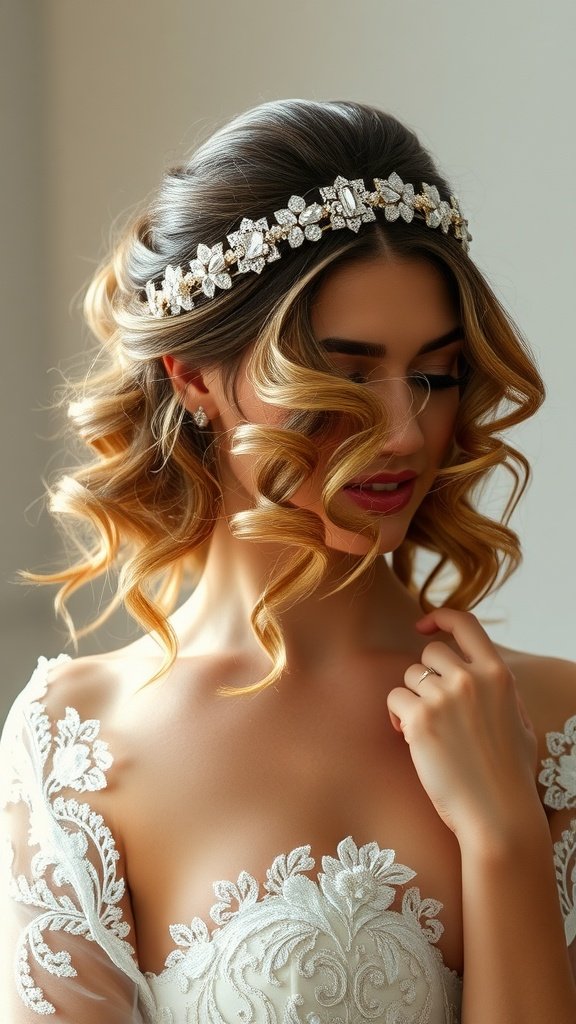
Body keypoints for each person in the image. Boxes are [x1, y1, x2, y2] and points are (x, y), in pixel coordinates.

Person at [1, 98, 575, 1024]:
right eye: (342, 376)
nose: (403, 431)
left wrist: (505, 834)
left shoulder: (554, 725)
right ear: (191, 375)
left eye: (434, 373)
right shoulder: (78, 746)